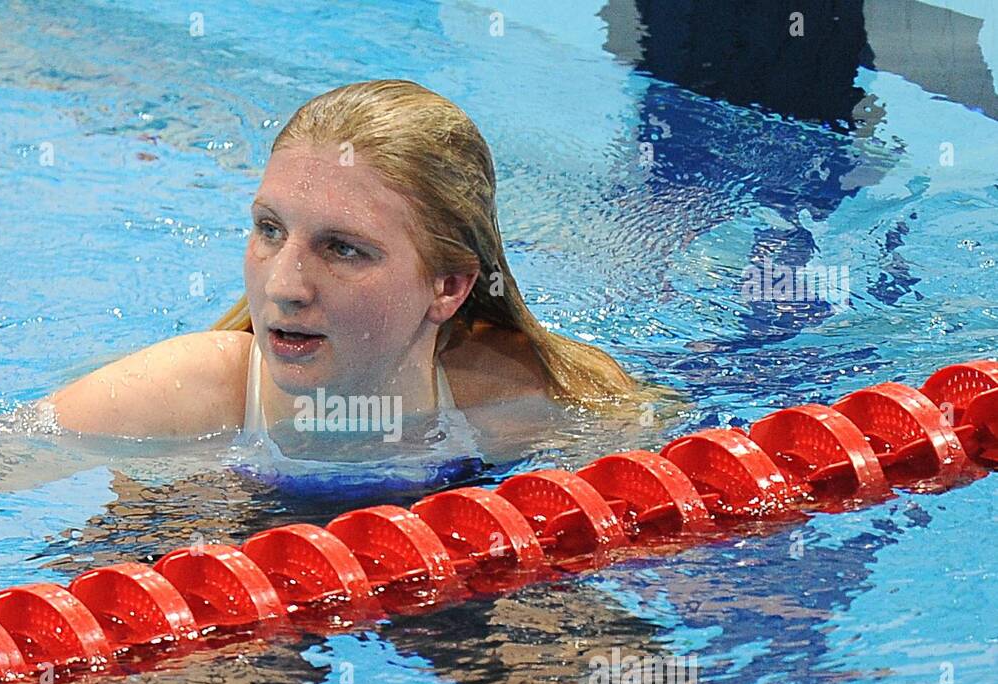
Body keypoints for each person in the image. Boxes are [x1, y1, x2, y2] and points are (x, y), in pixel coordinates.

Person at [47, 79, 640, 459]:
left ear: (449, 286)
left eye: (343, 249)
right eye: (269, 230)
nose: (283, 286)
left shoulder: (529, 398)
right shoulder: (173, 398)